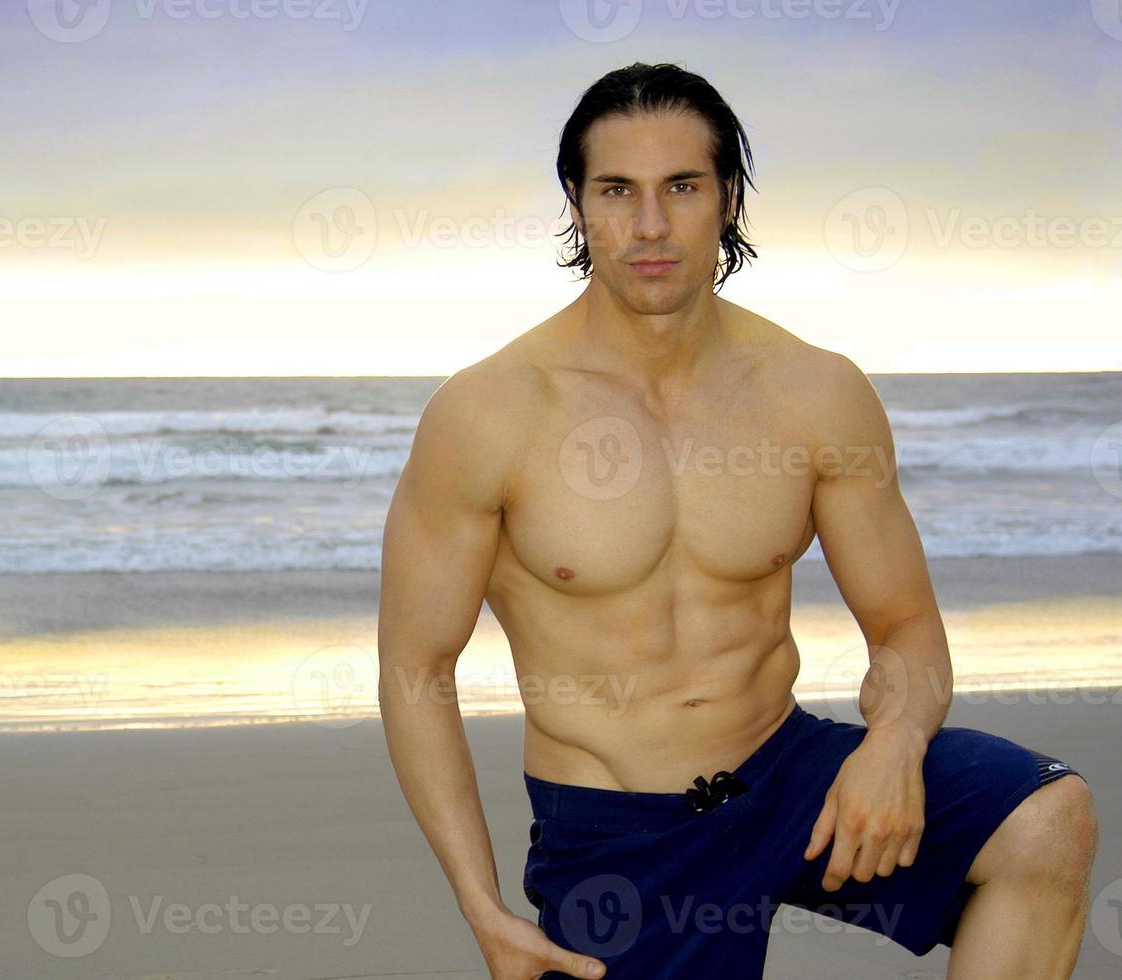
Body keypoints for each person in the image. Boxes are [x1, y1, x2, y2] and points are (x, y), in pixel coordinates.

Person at [376, 61, 1098, 979]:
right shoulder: (490, 413)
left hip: (789, 777)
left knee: (1046, 820)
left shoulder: (814, 392)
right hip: (621, 831)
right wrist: (483, 909)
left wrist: (897, 743)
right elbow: (416, 666)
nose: (648, 226)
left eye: (680, 186)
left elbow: (905, 625)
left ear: (727, 197)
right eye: (616, 190)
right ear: (576, 202)